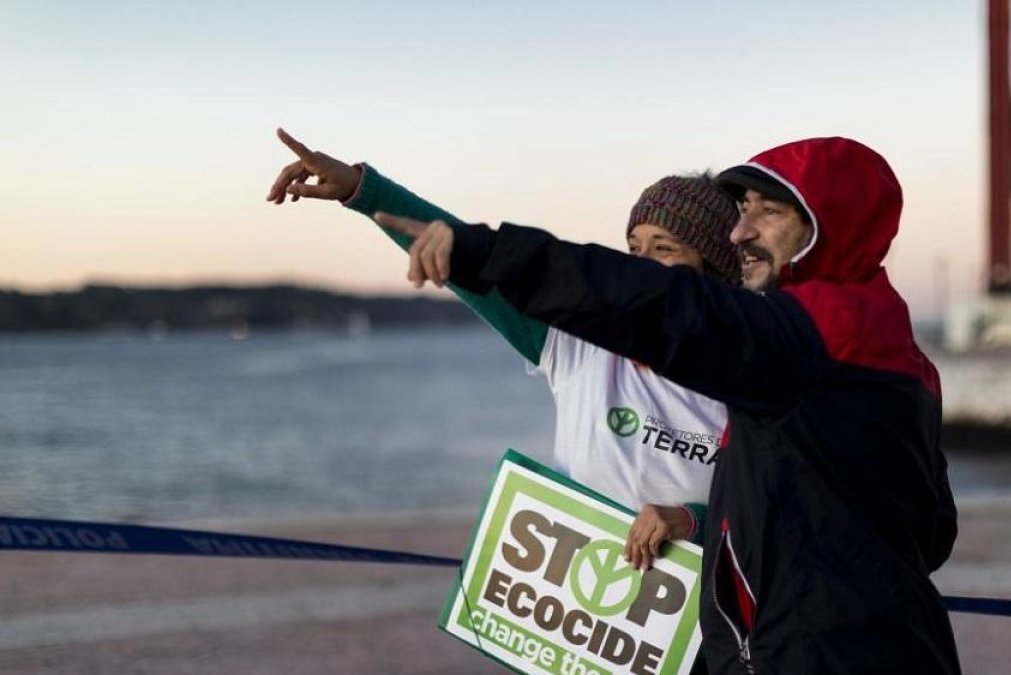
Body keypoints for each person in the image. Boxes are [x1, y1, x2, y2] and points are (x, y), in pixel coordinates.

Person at [370, 137, 961, 674]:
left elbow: (659, 308)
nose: (741, 231)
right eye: (744, 209)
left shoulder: (809, 336)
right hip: (829, 641)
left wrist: (488, 250)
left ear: (828, 227)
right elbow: (931, 532)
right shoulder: (894, 348)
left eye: (769, 211)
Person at [266, 129, 740, 571]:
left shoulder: (749, 378)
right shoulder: (583, 348)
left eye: (664, 250)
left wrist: (690, 521)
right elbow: (475, 266)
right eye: (634, 249)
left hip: (703, 636)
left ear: (714, 272)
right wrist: (361, 190)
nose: (640, 268)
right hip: (577, 626)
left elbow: (782, 508)